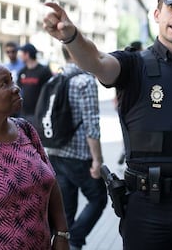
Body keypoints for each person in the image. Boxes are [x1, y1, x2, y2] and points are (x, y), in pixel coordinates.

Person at [43, 0, 172, 250]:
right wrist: (72, 37)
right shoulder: (133, 64)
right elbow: (95, 61)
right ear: (157, 14)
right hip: (145, 209)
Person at [0, 59, 69, 250]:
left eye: (12, 80)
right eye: (4, 84)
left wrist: (62, 234)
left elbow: (52, 181)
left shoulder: (26, 130)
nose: (15, 88)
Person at [47, 46, 107, 250]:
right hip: (79, 155)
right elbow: (92, 123)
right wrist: (97, 159)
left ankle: (66, 244)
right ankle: (75, 241)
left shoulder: (55, 78)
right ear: (75, 53)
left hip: (55, 151)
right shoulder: (85, 81)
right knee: (99, 198)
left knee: (67, 207)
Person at [116, 40, 143, 165]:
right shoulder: (139, 63)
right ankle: (128, 150)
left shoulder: (126, 63)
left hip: (123, 101)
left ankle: (125, 149)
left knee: (126, 129)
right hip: (137, 102)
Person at [17, 43, 53, 126]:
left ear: (27, 54)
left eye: (21, 53)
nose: (20, 56)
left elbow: (50, 92)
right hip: (24, 113)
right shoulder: (22, 72)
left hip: (39, 113)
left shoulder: (44, 71)